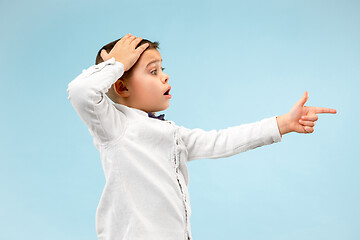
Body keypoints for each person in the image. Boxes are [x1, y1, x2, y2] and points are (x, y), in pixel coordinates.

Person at [67, 33, 337, 240]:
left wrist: (283, 123)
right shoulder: (114, 126)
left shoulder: (170, 133)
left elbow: (221, 141)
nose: (165, 76)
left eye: (162, 68)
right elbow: (80, 91)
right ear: (121, 85)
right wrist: (117, 63)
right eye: (153, 71)